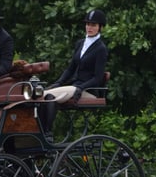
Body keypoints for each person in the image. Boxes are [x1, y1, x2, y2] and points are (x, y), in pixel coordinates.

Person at [39, 9, 109, 139]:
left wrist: (81, 87)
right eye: (88, 24)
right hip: (75, 87)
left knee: (48, 95)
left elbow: (98, 78)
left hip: (89, 90)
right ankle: (41, 133)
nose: (89, 27)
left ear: (100, 27)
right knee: (43, 95)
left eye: (93, 25)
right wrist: (58, 82)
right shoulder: (80, 43)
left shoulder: (101, 49)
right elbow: (70, 69)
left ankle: (47, 134)